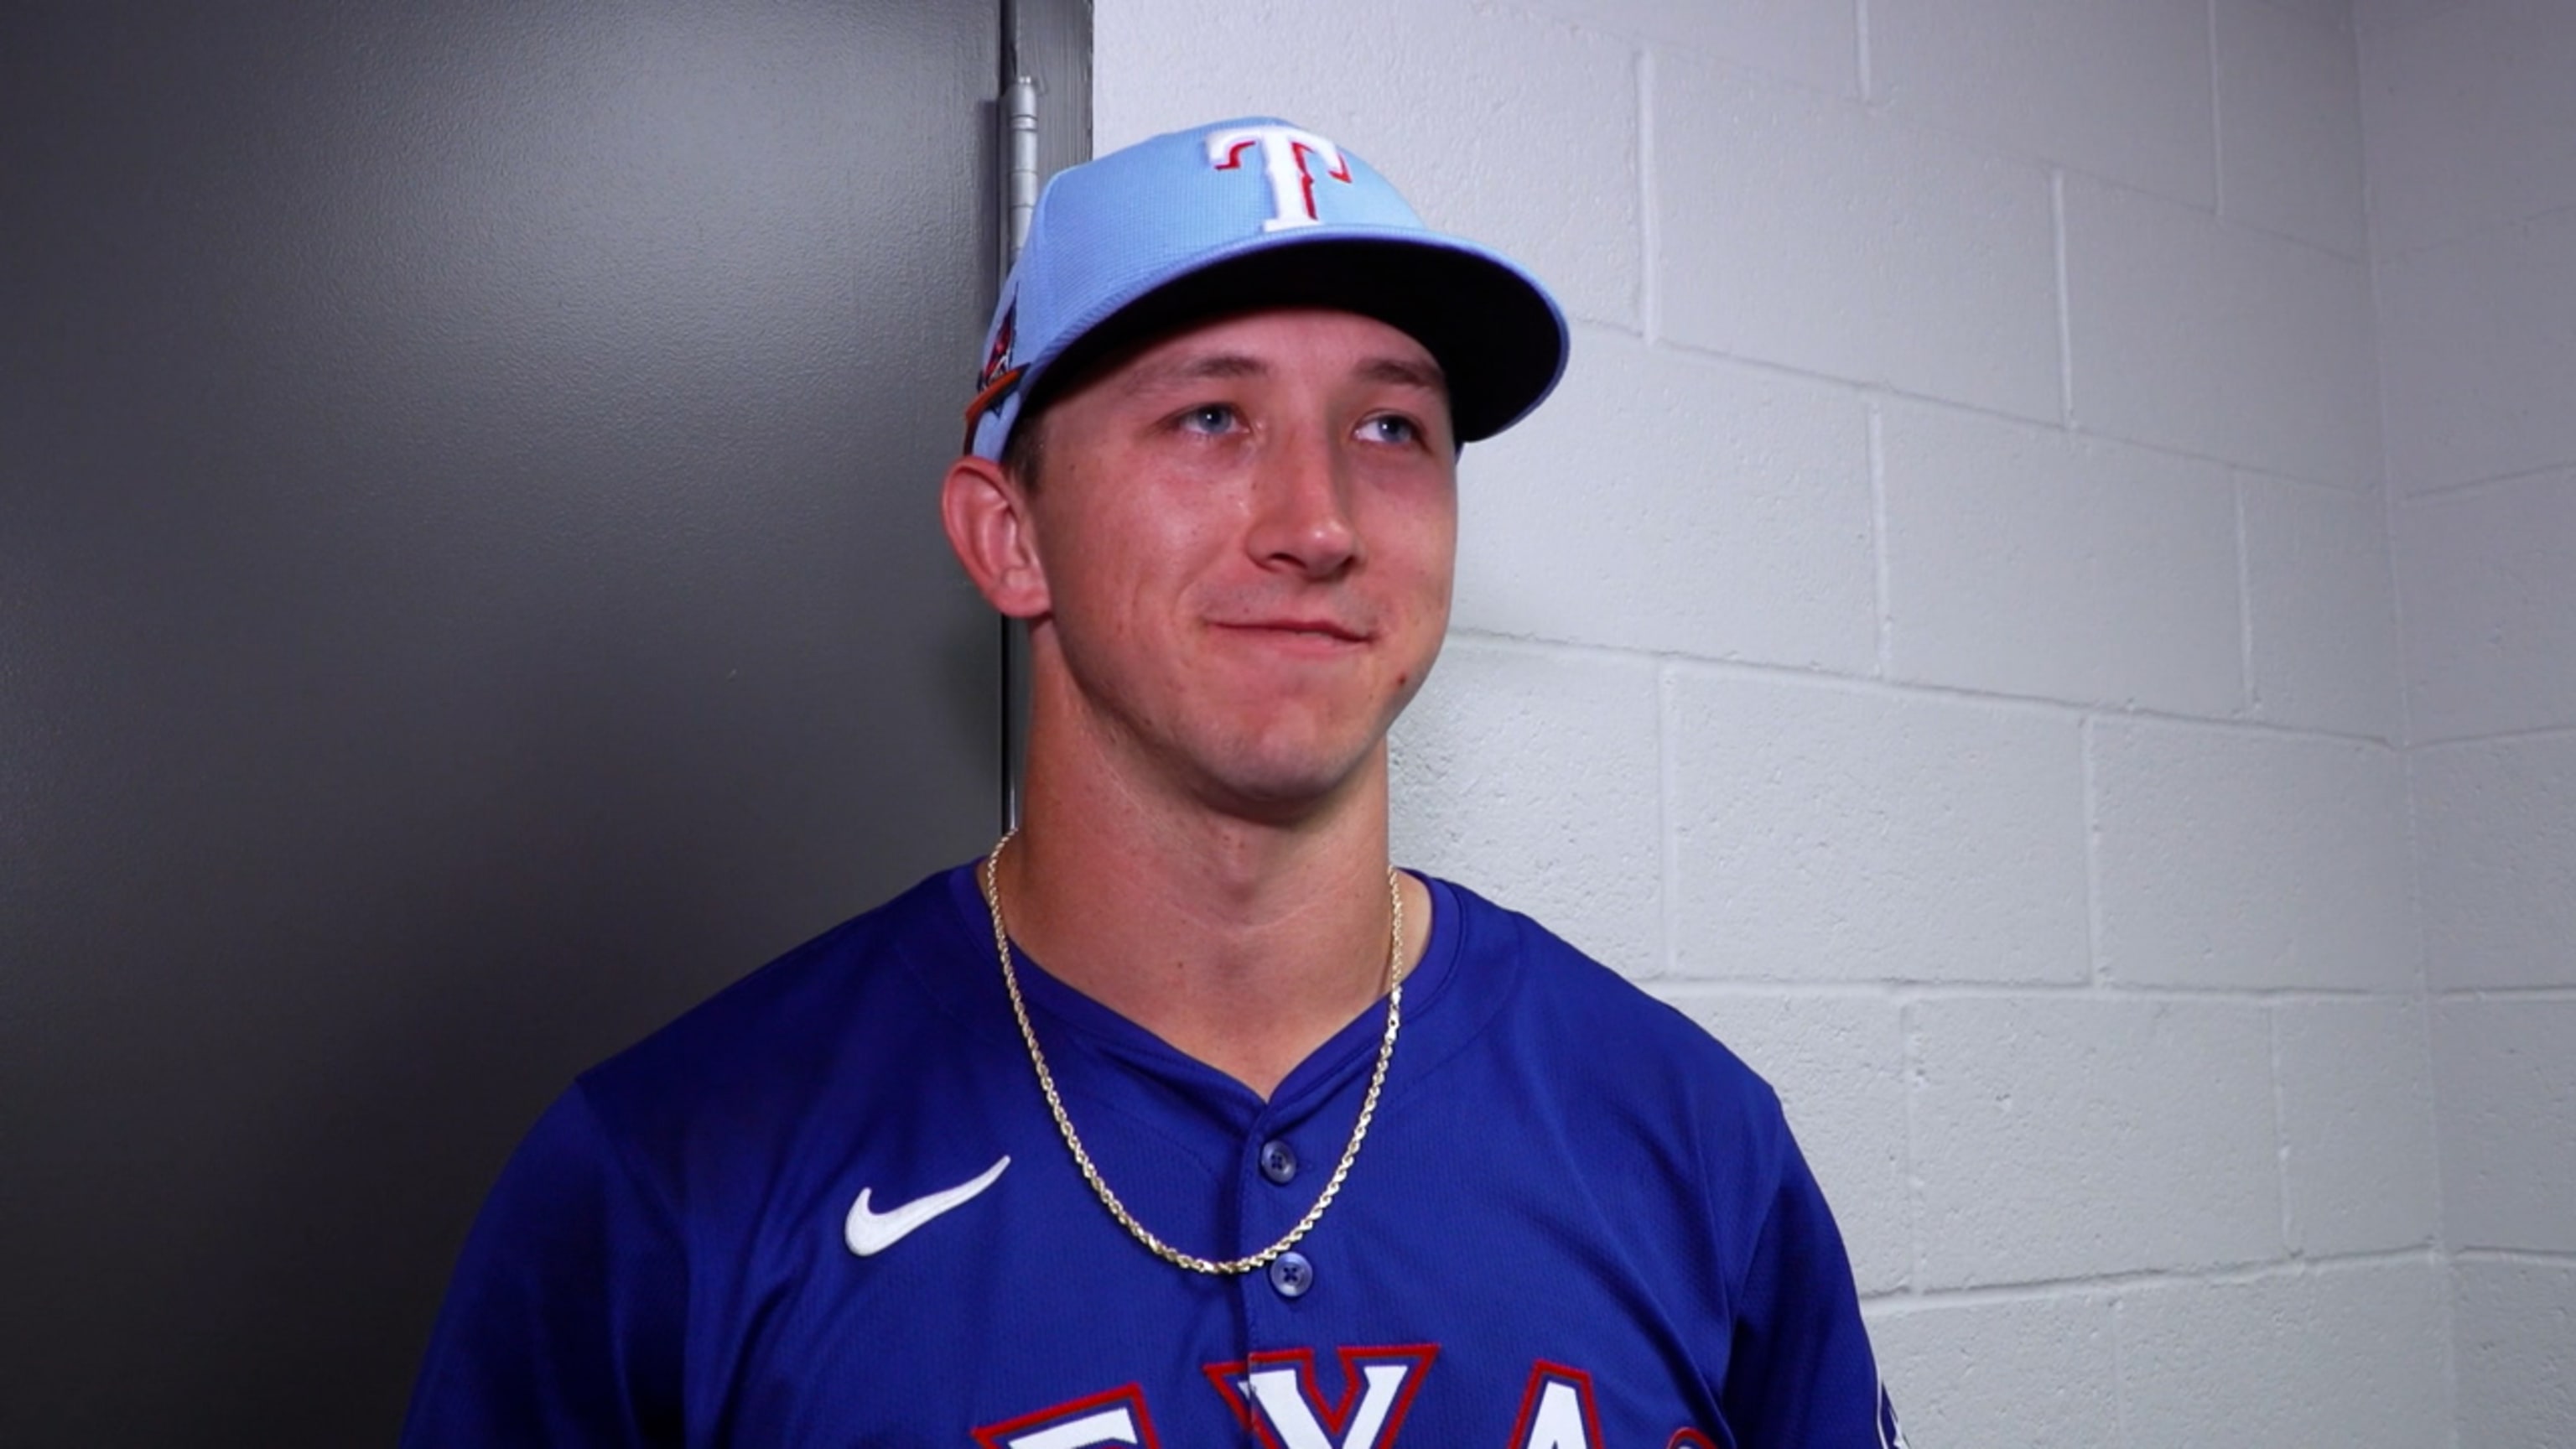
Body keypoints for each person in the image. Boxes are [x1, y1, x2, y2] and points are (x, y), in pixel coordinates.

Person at [402, 117, 1905, 1449]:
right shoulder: (676, 1174)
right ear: (1010, 537)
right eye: (1210, 417)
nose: (1318, 522)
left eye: (1391, 427)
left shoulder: (1688, 1132)